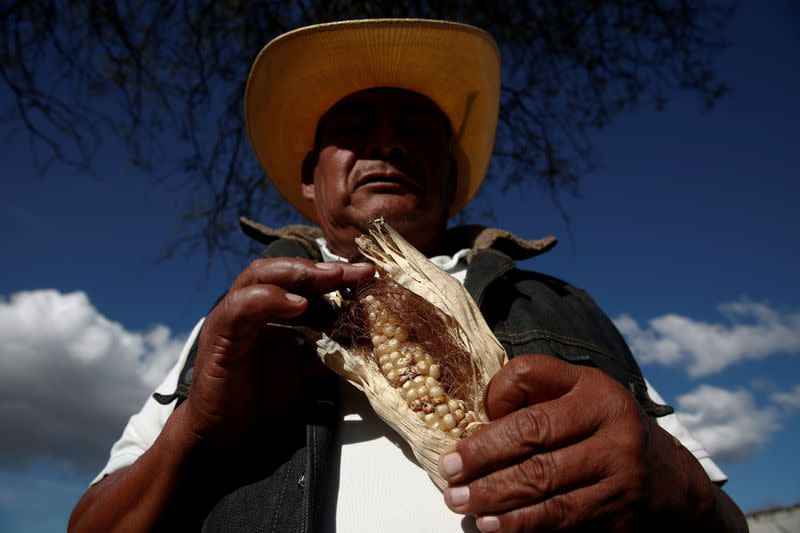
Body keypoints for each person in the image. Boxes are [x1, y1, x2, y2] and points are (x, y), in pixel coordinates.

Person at [69, 19, 747, 532]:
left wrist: (669, 477)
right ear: (311, 180)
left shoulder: (560, 304)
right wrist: (197, 432)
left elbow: (723, 516)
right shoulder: (237, 325)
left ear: (450, 176)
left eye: (416, 127)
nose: (387, 142)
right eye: (356, 126)